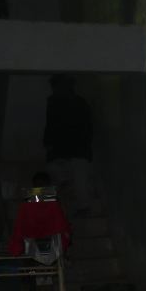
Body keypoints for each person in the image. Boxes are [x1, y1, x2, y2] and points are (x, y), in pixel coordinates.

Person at [42, 74, 94, 214]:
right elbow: (51, 126)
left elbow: (86, 128)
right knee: (70, 176)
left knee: (79, 179)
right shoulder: (54, 103)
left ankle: (82, 207)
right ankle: (78, 204)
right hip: (65, 151)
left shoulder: (77, 104)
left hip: (77, 151)